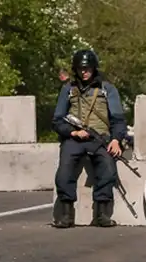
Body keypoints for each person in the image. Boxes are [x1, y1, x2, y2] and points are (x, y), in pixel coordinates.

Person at [50, 49, 129, 228]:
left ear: (94, 68)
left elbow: (118, 119)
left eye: (87, 68)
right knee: (64, 172)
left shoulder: (107, 89)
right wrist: (73, 133)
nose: (84, 72)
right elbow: (57, 120)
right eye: (80, 68)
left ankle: (102, 215)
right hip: (74, 139)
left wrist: (116, 139)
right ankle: (66, 215)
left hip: (100, 139)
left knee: (108, 169)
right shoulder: (68, 89)